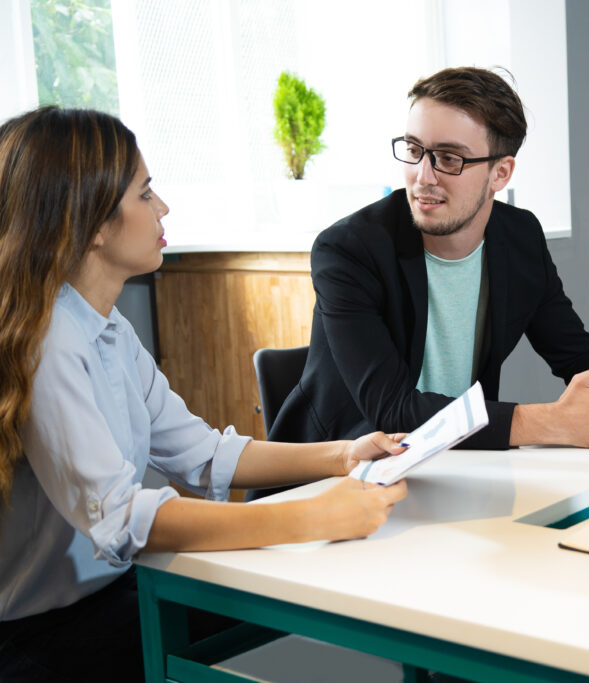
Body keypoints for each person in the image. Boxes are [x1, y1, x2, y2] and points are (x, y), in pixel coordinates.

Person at [0, 106, 408, 682]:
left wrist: (342, 455)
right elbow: (120, 516)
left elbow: (203, 453)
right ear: (89, 222)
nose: (162, 207)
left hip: (112, 597)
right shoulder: (50, 340)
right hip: (44, 641)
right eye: (144, 194)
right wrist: (311, 518)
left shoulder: (107, 327)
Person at [269, 67, 589, 455]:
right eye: (415, 151)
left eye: (449, 158)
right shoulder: (349, 250)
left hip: (453, 466)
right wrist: (549, 422)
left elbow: (573, 353)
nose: (423, 176)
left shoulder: (520, 237)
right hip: (335, 477)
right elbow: (392, 411)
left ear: (501, 173)